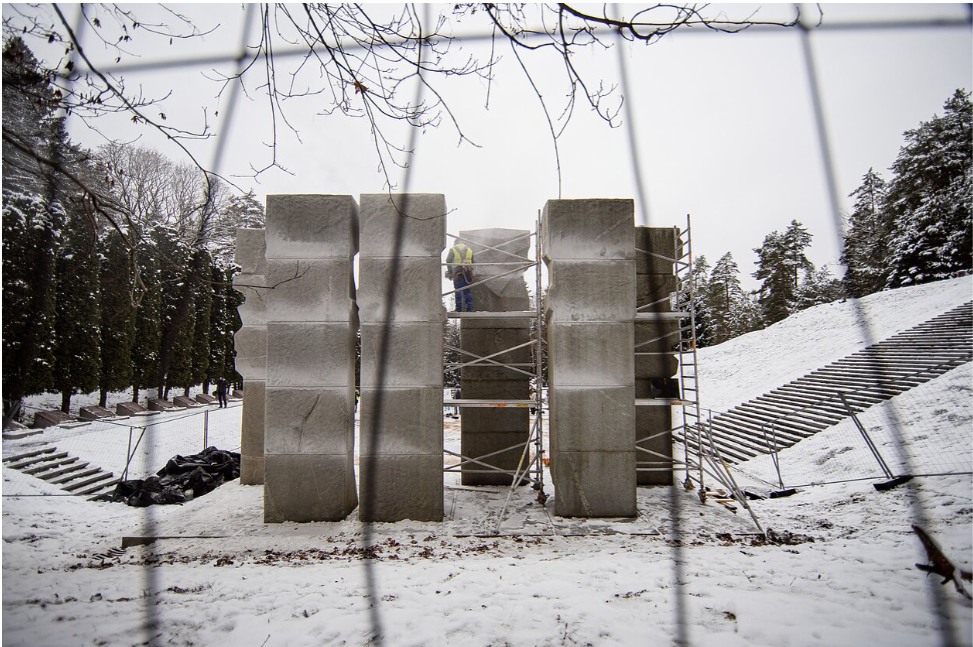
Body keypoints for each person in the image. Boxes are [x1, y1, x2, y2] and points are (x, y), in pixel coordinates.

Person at [445, 238, 475, 312]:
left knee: (458, 290)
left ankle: (459, 309)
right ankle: (470, 308)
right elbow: (473, 262)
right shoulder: (469, 249)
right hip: (467, 271)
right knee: (467, 290)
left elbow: (448, 261)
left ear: (455, 243)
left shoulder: (453, 249)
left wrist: (450, 272)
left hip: (458, 272)